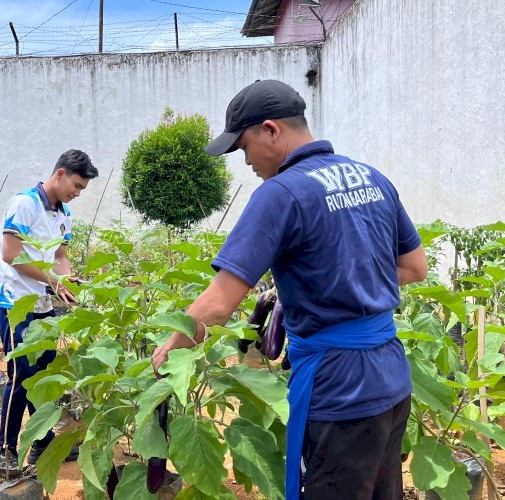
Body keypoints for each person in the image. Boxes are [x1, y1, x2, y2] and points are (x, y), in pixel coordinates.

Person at [151, 80, 428, 499]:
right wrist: (345, 282)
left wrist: (172, 347)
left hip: (338, 385)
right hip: (390, 377)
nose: (246, 162)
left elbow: (221, 301)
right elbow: (413, 266)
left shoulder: (281, 193)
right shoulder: (372, 177)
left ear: (271, 129)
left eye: (243, 148)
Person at [0, 149, 98, 469]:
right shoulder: (24, 204)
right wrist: (52, 280)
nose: (77, 194)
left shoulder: (64, 214)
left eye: (82, 189)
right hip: (12, 302)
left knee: (45, 372)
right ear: (60, 173)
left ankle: (41, 440)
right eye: (76, 186)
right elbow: (11, 253)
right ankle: (6, 451)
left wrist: (66, 280)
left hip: (42, 302)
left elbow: (59, 258)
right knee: (21, 374)